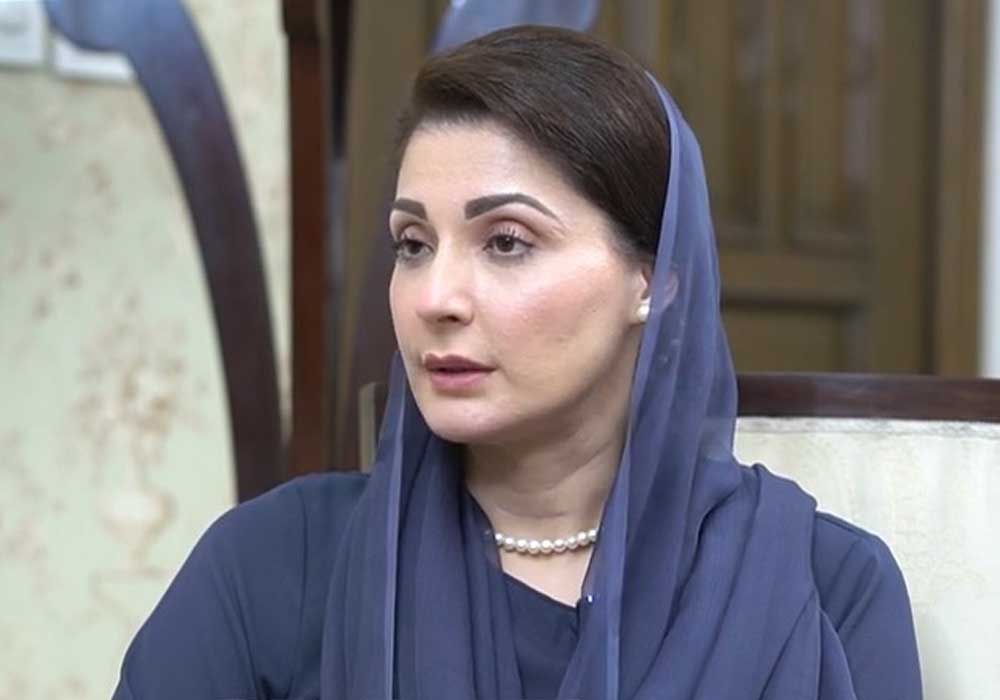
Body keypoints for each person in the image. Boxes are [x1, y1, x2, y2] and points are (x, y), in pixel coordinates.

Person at [112, 26, 921, 700]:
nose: (436, 297)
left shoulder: (824, 588)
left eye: (506, 242)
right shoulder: (275, 565)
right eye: (413, 244)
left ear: (653, 280)